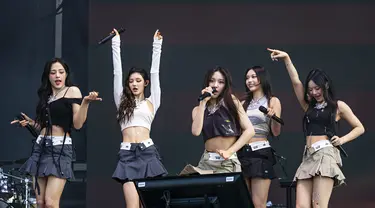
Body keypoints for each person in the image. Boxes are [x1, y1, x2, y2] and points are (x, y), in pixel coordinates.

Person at [267, 48, 365, 208]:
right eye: (311, 90)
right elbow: (296, 82)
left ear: (325, 85)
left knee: (318, 205)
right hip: (308, 156)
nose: (314, 92)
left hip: (325, 155)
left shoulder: (338, 106)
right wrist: (287, 59)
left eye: (317, 88)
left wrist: (342, 139)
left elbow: (359, 127)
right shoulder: (309, 107)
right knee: (301, 206)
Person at [11, 58, 101, 208]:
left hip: (60, 149)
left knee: (51, 203)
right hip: (41, 148)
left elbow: (78, 124)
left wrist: (85, 103)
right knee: (40, 203)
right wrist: (31, 124)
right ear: (48, 76)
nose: (57, 76)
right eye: (53, 73)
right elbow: (44, 129)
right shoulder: (46, 96)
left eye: (61, 72)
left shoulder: (72, 91)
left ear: (66, 74)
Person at [110, 28, 168, 208]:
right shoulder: (121, 100)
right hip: (127, 155)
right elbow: (117, 72)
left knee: (148, 205)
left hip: (147, 153)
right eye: (131, 81)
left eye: (138, 80)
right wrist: (115, 43)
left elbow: (155, 73)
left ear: (145, 83)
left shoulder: (152, 101)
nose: (134, 84)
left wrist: (157, 45)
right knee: (132, 206)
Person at [181, 66, 255, 175]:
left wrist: (229, 151)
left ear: (225, 85)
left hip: (227, 162)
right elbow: (196, 132)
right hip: (206, 162)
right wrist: (203, 103)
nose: (215, 85)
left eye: (221, 82)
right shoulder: (198, 109)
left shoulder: (232, 102)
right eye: (212, 81)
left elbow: (250, 130)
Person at [237, 66, 282, 208]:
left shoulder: (272, 101)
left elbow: (276, 132)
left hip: (260, 153)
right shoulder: (243, 103)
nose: (249, 81)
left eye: (253, 77)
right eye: (247, 78)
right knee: (243, 202)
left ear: (262, 79)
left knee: (258, 204)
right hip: (243, 153)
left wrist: (273, 117)